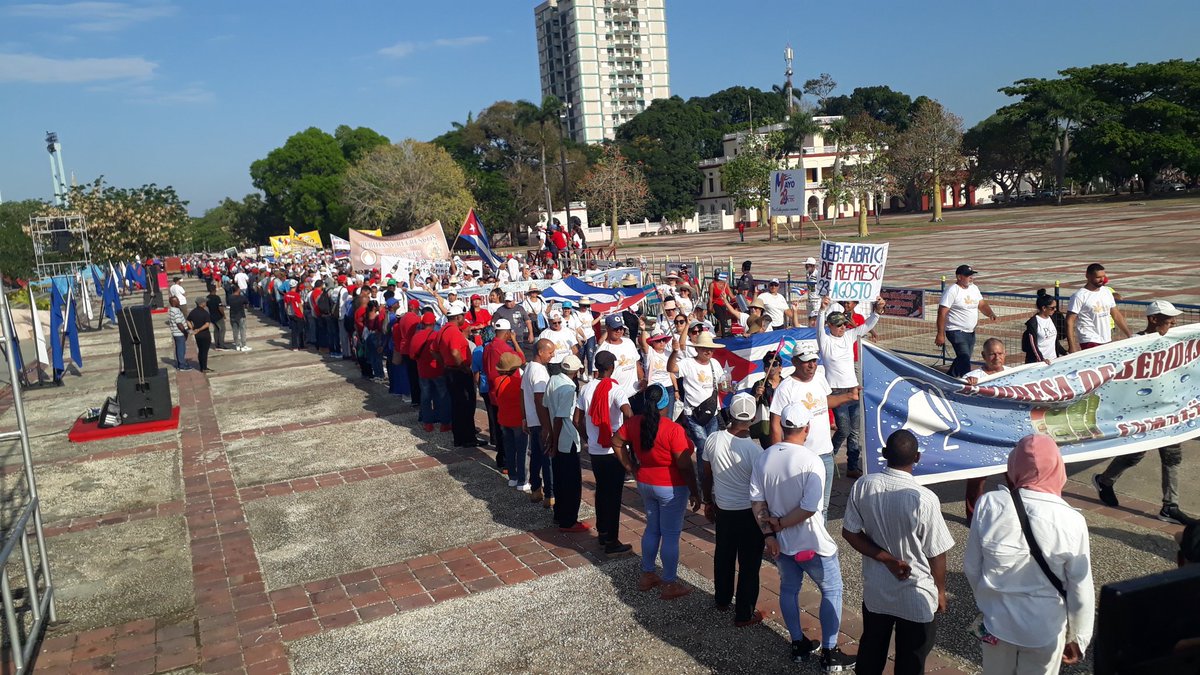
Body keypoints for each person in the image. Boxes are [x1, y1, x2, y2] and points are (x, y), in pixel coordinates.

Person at [965, 434, 1094, 675]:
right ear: (1057, 466)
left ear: (1014, 464)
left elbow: (972, 567)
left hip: (997, 622)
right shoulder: (1073, 521)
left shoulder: (989, 504)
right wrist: (1078, 636)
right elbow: (1080, 588)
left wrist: (989, 601)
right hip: (1044, 628)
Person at [753, 403, 857, 672]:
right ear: (807, 428)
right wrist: (781, 523)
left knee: (789, 589)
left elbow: (757, 501)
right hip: (812, 543)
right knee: (831, 590)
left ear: (783, 426)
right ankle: (831, 652)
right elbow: (810, 507)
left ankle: (798, 644)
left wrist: (770, 533)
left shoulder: (764, 457)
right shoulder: (811, 461)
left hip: (783, 544)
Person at [842, 429, 954, 675]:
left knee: (871, 652)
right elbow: (937, 552)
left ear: (883, 454)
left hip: (877, 593)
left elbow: (850, 533)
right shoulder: (925, 498)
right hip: (917, 595)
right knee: (911, 661)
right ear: (917, 458)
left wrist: (887, 559)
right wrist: (941, 591)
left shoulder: (863, 485)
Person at [1093, 300, 1193, 524]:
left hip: (1168, 410)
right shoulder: (1134, 344)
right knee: (1134, 454)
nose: (1173, 322)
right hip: (1141, 413)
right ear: (1153, 319)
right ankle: (1105, 481)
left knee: (1172, 457)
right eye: (1167, 319)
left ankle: (1170, 506)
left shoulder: (1172, 340)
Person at [613, 383, 700, 599]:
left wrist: (630, 466)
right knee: (670, 534)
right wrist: (695, 491)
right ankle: (669, 582)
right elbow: (684, 465)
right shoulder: (673, 429)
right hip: (671, 486)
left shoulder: (634, 423)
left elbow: (616, 442)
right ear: (666, 403)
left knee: (652, 529)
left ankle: (648, 573)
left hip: (645, 481)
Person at [703, 393, 767, 626]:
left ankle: (721, 599)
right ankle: (744, 613)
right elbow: (761, 490)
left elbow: (706, 473)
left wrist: (707, 501)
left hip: (723, 509)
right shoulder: (756, 452)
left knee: (724, 555)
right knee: (750, 565)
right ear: (752, 418)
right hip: (748, 513)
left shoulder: (713, 439)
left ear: (730, 414)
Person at [769, 349, 860, 513]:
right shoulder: (785, 388)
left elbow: (824, 401)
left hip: (825, 454)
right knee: (799, 506)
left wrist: (848, 397)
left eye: (814, 361)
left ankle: (818, 538)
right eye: (806, 361)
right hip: (799, 457)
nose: (812, 365)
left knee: (823, 508)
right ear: (795, 361)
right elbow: (775, 424)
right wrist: (778, 457)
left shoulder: (819, 378)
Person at [818, 296, 885, 479]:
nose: (843, 328)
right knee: (844, 429)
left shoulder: (849, 336)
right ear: (830, 326)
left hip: (853, 388)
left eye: (844, 325)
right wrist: (822, 310)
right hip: (836, 392)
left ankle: (852, 465)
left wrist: (877, 311)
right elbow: (818, 327)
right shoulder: (824, 341)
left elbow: (867, 326)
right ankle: (827, 457)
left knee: (855, 431)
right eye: (839, 325)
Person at [576, 350, 634, 555]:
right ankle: (611, 539)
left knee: (602, 491)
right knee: (614, 495)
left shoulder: (586, 389)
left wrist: (588, 438)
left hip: (595, 449)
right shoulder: (615, 390)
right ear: (612, 367)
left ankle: (602, 533)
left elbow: (577, 420)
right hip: (612, 449)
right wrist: (623, 437)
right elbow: (628, 413)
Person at [667, 329, 724, 485]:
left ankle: (708, 480)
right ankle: (704, 482)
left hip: (712, 413)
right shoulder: (687, 363)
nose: (708, 351)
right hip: (693, 414)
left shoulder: (715, 364)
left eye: (710, 348)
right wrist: (674, 352)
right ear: (697, 349)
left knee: (710, 448)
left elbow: (721, 384)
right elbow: (671, 368)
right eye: (705, 348)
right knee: (704, 447)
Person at [962, 338, 1009, 522]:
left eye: (1000, 353)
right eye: (992, 354)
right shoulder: (973, 377)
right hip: (983, 435)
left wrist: (1046, 366)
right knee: (977, 477)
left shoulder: (1015, 373)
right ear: (983, 356)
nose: (997, 358)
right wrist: (967, 387)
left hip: (1007, 433)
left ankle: (1020, 510)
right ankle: (972, 516)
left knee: (1014, 474)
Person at [936, 264, 998, 377]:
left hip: (970, 332)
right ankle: (967, 382)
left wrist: (990, 313)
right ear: (959, 277)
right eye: (968, 275)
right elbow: (942, 312)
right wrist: (940, 334)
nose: (971, 278)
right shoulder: (952, 291)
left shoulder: (974, 288)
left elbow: (982, 304)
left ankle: (950, 377)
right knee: (964, 358)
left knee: (963, 357)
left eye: (972, 275)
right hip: (956, 331)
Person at [548, 355, 586, 530]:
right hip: (566, 438)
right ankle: (569, 520)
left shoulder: (553, 379)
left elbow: (546, 407)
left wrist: (550, 437)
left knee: (560, 479)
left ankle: (559, 514)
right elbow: (560, 418)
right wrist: (555, 443)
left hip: (557, 436)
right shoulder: (569, 388)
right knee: (571, 482)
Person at [1066, 262, 1131, 352]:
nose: (1102, 280)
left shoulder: (1107, 292)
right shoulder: (1079, 296)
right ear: (1088, 276)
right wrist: (1072, 345)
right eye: (1098, 277)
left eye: (1103, 276)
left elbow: (1116, 314)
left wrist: (1129, 334)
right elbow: (1070, 320)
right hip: (1089, 340)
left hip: (1106, 338)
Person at [439, 305, 478, 448]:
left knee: (457, 405)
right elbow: (455, 352)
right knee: (466, 405)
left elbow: (434, 351)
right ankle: (468, 438)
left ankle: (460, 438)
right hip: (458, 372)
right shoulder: (454, 332)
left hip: (450, 370)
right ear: (458, 317)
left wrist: (444, 363)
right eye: (462, 315)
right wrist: (463, 367)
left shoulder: (443, 330)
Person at [522, 339, 555, 506]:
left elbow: (523, 394)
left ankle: (536, 488)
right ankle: (550, 494)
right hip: (540, 421)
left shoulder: (528, 367)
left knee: (535, 456)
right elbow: (539, 398)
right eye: (550, 352)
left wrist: (525, 417)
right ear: (540, 352)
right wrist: (547, 426)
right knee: (546, 458)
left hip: (532, 420)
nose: (553, 355)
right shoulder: (540, 371)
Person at [493, 352, 529, 490]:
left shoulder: (497, 381)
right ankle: (522, 480)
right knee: (522, 451)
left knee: (509, 449)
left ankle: (512, 477)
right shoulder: (518, 383)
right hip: (518, 420)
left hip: (503, 418)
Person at [595, 314, 643, 396]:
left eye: (621, 328)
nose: (619, 331)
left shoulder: (629, 343)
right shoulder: (602, 349)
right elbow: (597, 375)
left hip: (635, 392)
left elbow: (636, 362)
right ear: (607, 328)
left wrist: (642, 379)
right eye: (615, 329)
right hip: (615, 395)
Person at [1022, 290, 1060, 364]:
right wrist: (1042, 360)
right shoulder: (1033, 323)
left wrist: (1065, 352)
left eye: (1056, 307)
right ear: (1044, 308)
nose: (1055, 310)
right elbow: (1033, 346)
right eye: (1052, 308)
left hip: (1053, 360)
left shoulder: (1052, 318)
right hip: (1039, 362)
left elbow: (1054, 341)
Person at [187, 298, 214, 373]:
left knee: (200, 350)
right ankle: (204, 367)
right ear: (201, 304)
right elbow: (207, 324)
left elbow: (188, 320)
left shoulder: (193, 312)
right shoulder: (205, 313)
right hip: (205, 334)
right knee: (204, 352)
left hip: (197, 335)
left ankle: (201, 366)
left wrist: (192, 328)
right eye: (205, 302)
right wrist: (199, 329)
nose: (205, 303)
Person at [166, 296, 190, 370]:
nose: (179, 302)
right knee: (181, 349)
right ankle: (182, 365)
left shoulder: (171, 310)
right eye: (177, 301)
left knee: (179, 348)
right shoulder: (175, 311)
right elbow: (179, 324)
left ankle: (181, 362)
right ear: (173, 302)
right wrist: (185, 332)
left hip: (175, 333)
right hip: (179, 333)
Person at [226, 285, 249, 352]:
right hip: (241, 315)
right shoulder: (241, 297)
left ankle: (237, 345)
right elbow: (246, 304)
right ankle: (243, 345)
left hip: (232, 315)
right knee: (242, 330)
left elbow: (228, 304)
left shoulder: (229, 297)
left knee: (235, 331)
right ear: (238, 289)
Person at [205, 284, 227, 350]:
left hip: (211, 315)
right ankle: (221, 344)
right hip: (218, 316)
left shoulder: (207, 298)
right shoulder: (217, 298)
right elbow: (220, 307)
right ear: (215, 289)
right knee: (222, 329)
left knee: (216, 330)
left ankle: (216, 343)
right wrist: (223, 315)